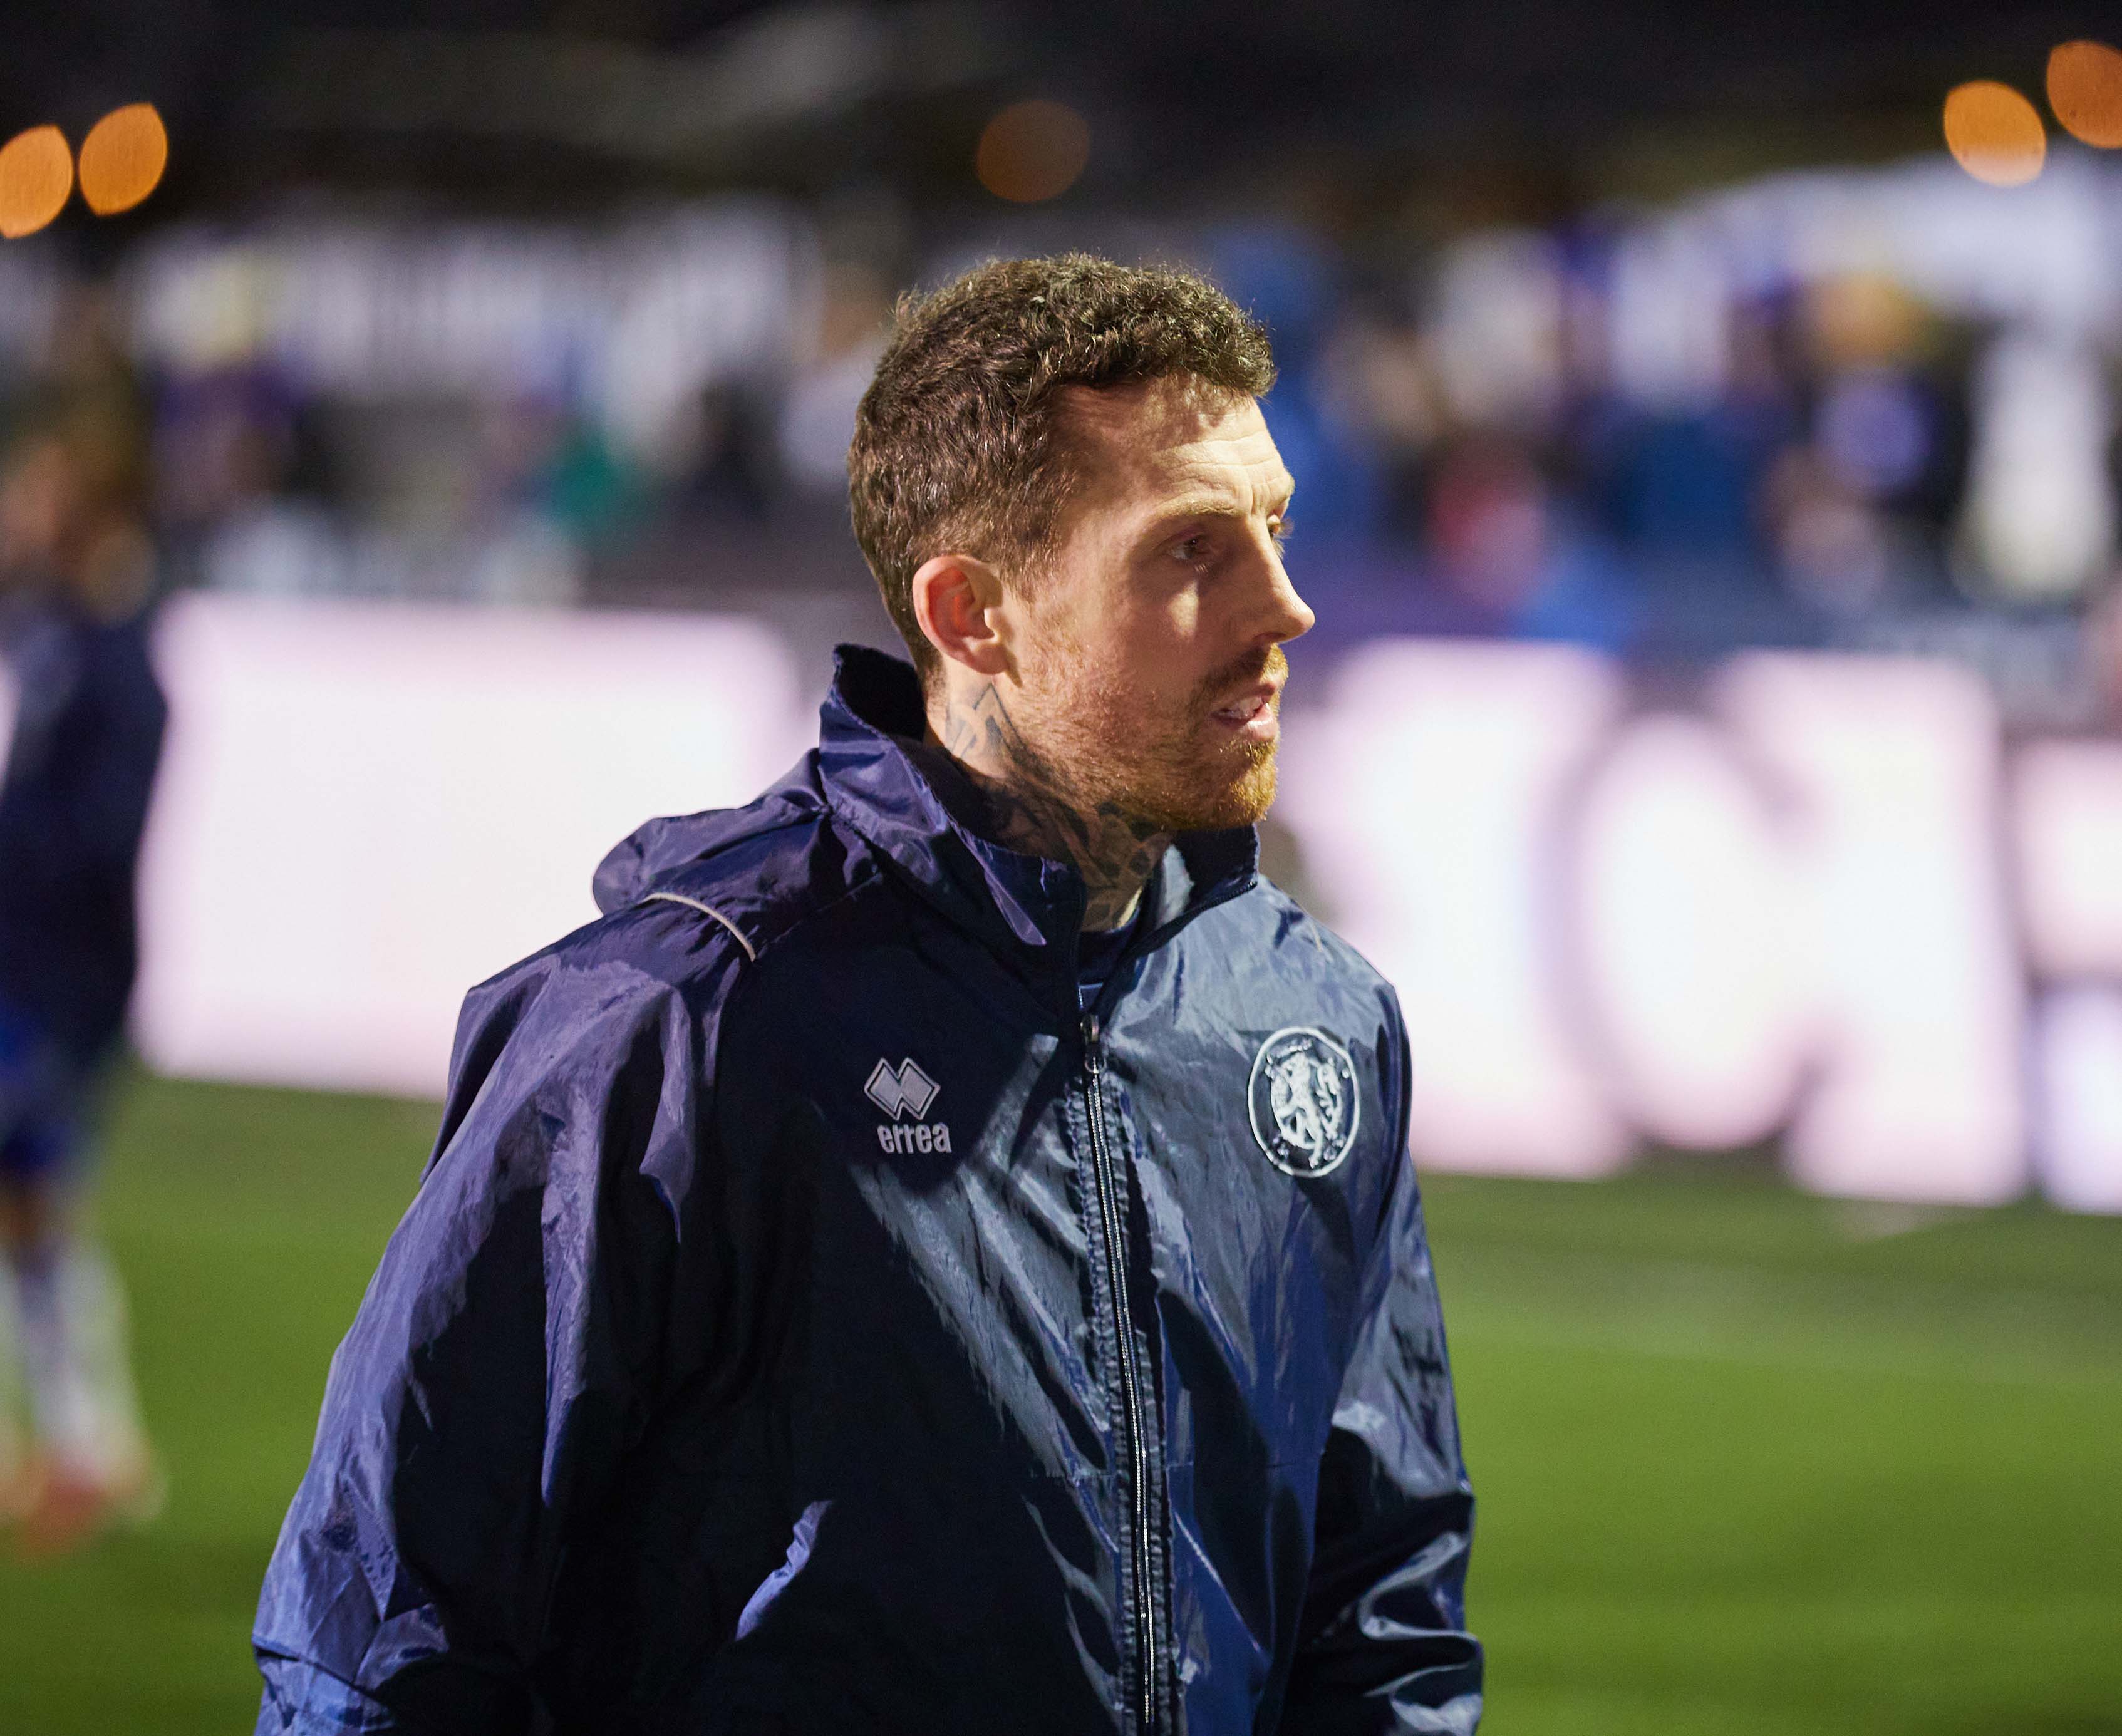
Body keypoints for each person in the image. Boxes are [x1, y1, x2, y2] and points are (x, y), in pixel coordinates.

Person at [254, 255, 1481, 1734]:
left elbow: (1379, 1616)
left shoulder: (1316, 1022)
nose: (1283, 607)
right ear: (973, 615)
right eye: (1188, 552)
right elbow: (386, 1636)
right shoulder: (677, 1023)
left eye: (1274, 529)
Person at [0, 407, 167, 1551]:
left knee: (37, 1199)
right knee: (32, 1205)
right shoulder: (54, 637)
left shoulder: (117, 664)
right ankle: (88, 1449)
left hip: (58, 985)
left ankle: (93, 1446)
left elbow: (99, 839)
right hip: (31, 972)